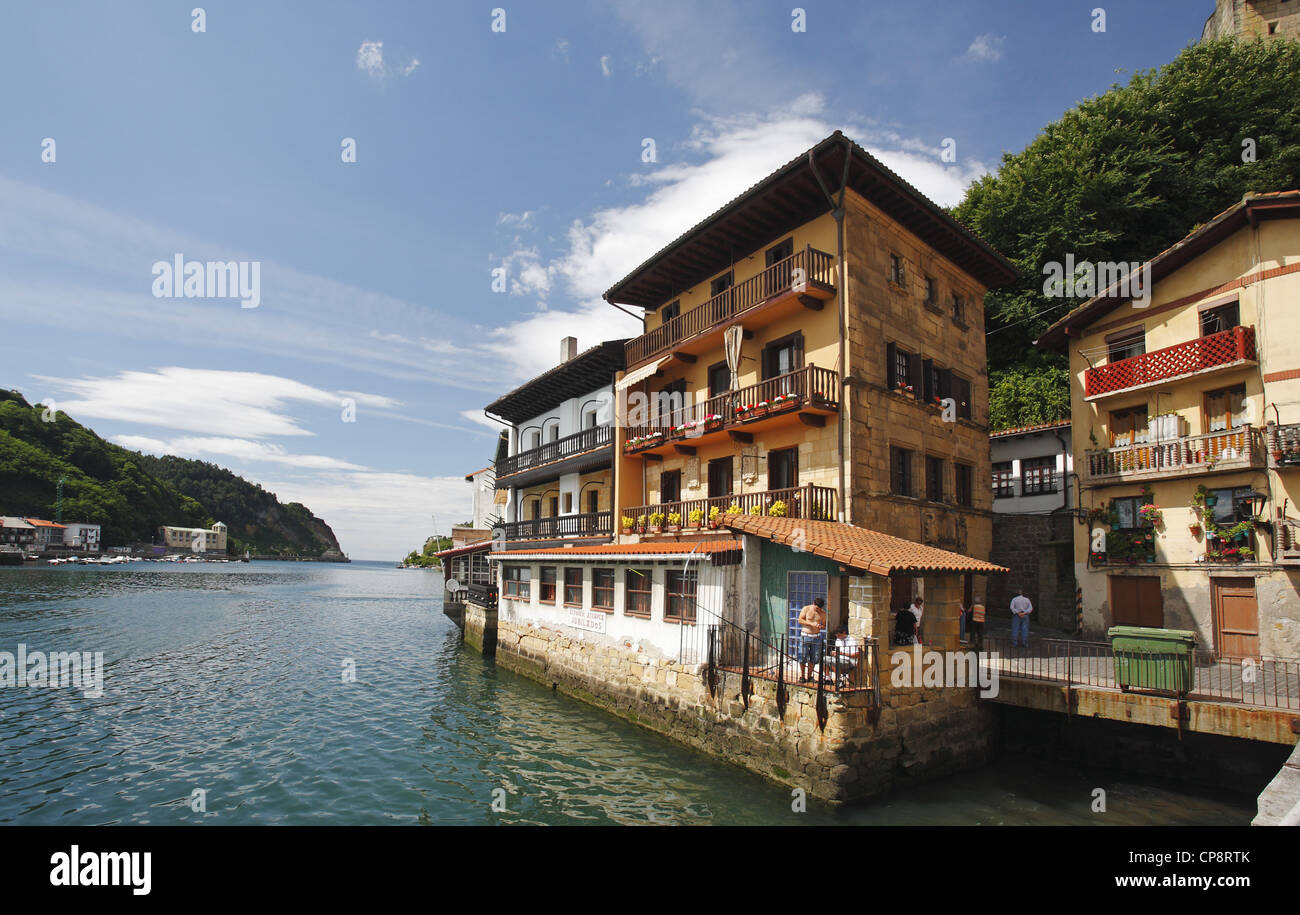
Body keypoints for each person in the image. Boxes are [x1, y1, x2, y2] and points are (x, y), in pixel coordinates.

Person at [796, 597, 827, 683]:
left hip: (816, 637)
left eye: (819, 608)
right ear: (813, 604)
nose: (817, 610)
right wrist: (811, 623)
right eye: (816, 608)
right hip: (805, 636)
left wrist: (820, 626)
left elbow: (824, 625)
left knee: (814, 658)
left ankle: (809, 676)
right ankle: (802, 676)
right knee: (802, 656)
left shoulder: (823, 613)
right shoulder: (806, 608)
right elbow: (800, 620)